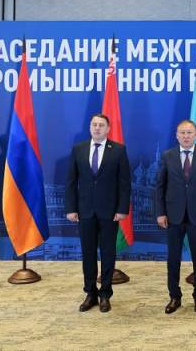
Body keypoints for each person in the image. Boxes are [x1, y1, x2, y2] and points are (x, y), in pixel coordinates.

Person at [65, 113, 131, 313]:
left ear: (108, 129)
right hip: (85, 211)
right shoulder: (78, 149)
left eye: (101, 125)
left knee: (108, 253)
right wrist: (71, 208)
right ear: (90, 127)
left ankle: (105, 294)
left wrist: (122, 209)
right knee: (88, 253)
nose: (97, 128)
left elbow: (124, 184)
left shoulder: (118, 150)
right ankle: (90, 293)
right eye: (94, 124)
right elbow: (71, 182)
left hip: (110, 212)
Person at [155, 119, 196, 314]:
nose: (186, 136)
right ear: (177, 135)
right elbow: (160, 187)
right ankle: (174, 297)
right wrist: (160, 212)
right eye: (182, 132)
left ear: (195, 135)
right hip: (173, 216)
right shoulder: (167, 156)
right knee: (173, 259)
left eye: (189, 132)